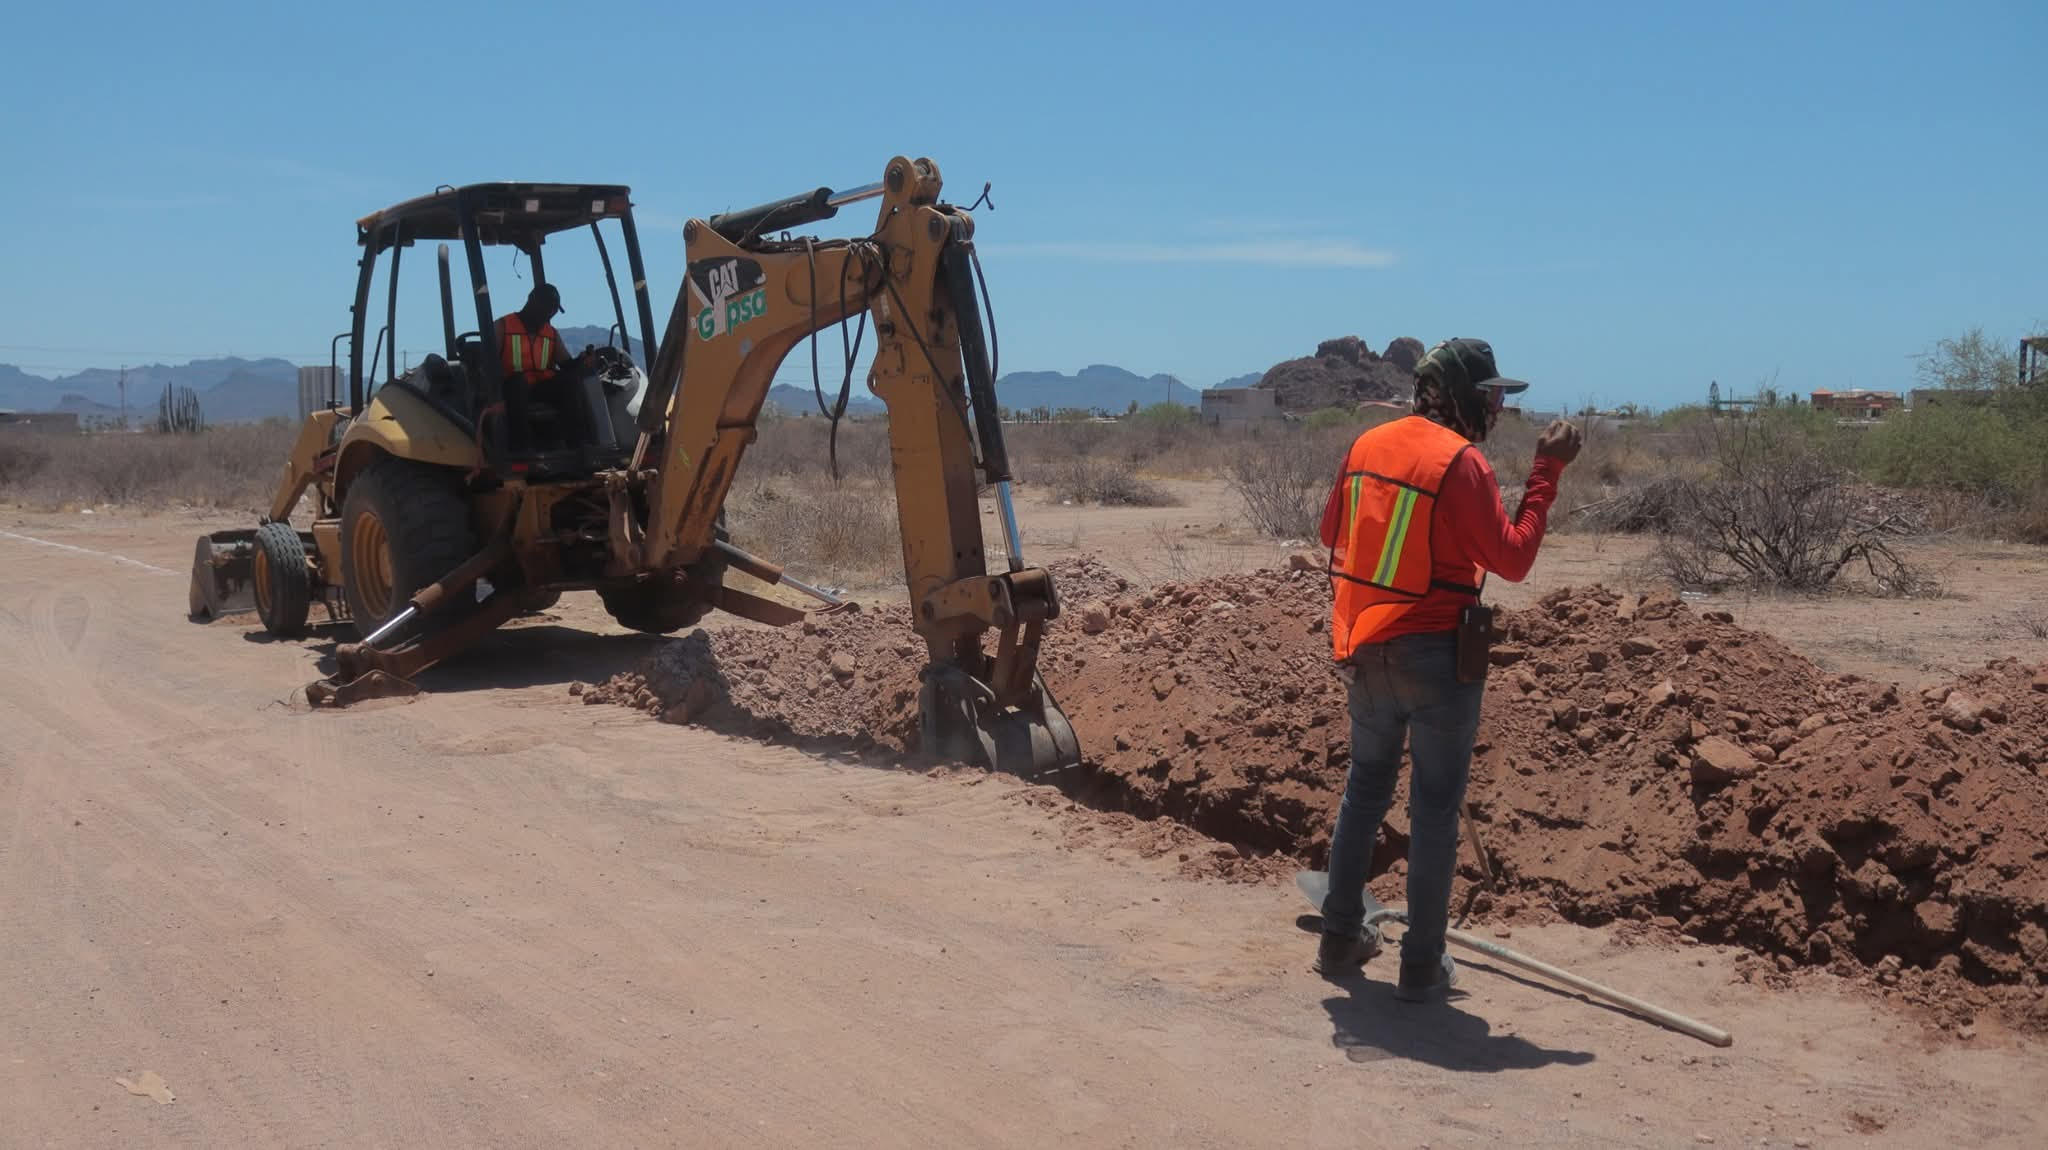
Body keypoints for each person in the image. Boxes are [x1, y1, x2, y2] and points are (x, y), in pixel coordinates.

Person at [1314, 338, 1582, 1000]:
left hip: (1365, 646)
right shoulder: (1462, 464)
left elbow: (1331, 534)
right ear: (1463, 397)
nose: (1497, 408)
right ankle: (1421, 963)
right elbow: (1512, 559)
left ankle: (1341, 936)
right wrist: (1547, 469)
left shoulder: (1366, 447)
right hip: (1437, 656)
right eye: (1491, 396)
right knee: (1434, 808)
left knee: (1365, 790)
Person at [495, 283, 593, 448]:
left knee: (569, 382)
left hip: (540, 387)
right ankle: (522, 446)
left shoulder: (550, 333)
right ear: (531, 302)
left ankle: (577, 443)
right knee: (518, 384)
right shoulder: (503, 326)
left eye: (553, 310)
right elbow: (487, 361)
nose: (550, 314)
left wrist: (581, 361)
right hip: (511, 387)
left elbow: (566, 364)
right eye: (548, 308)